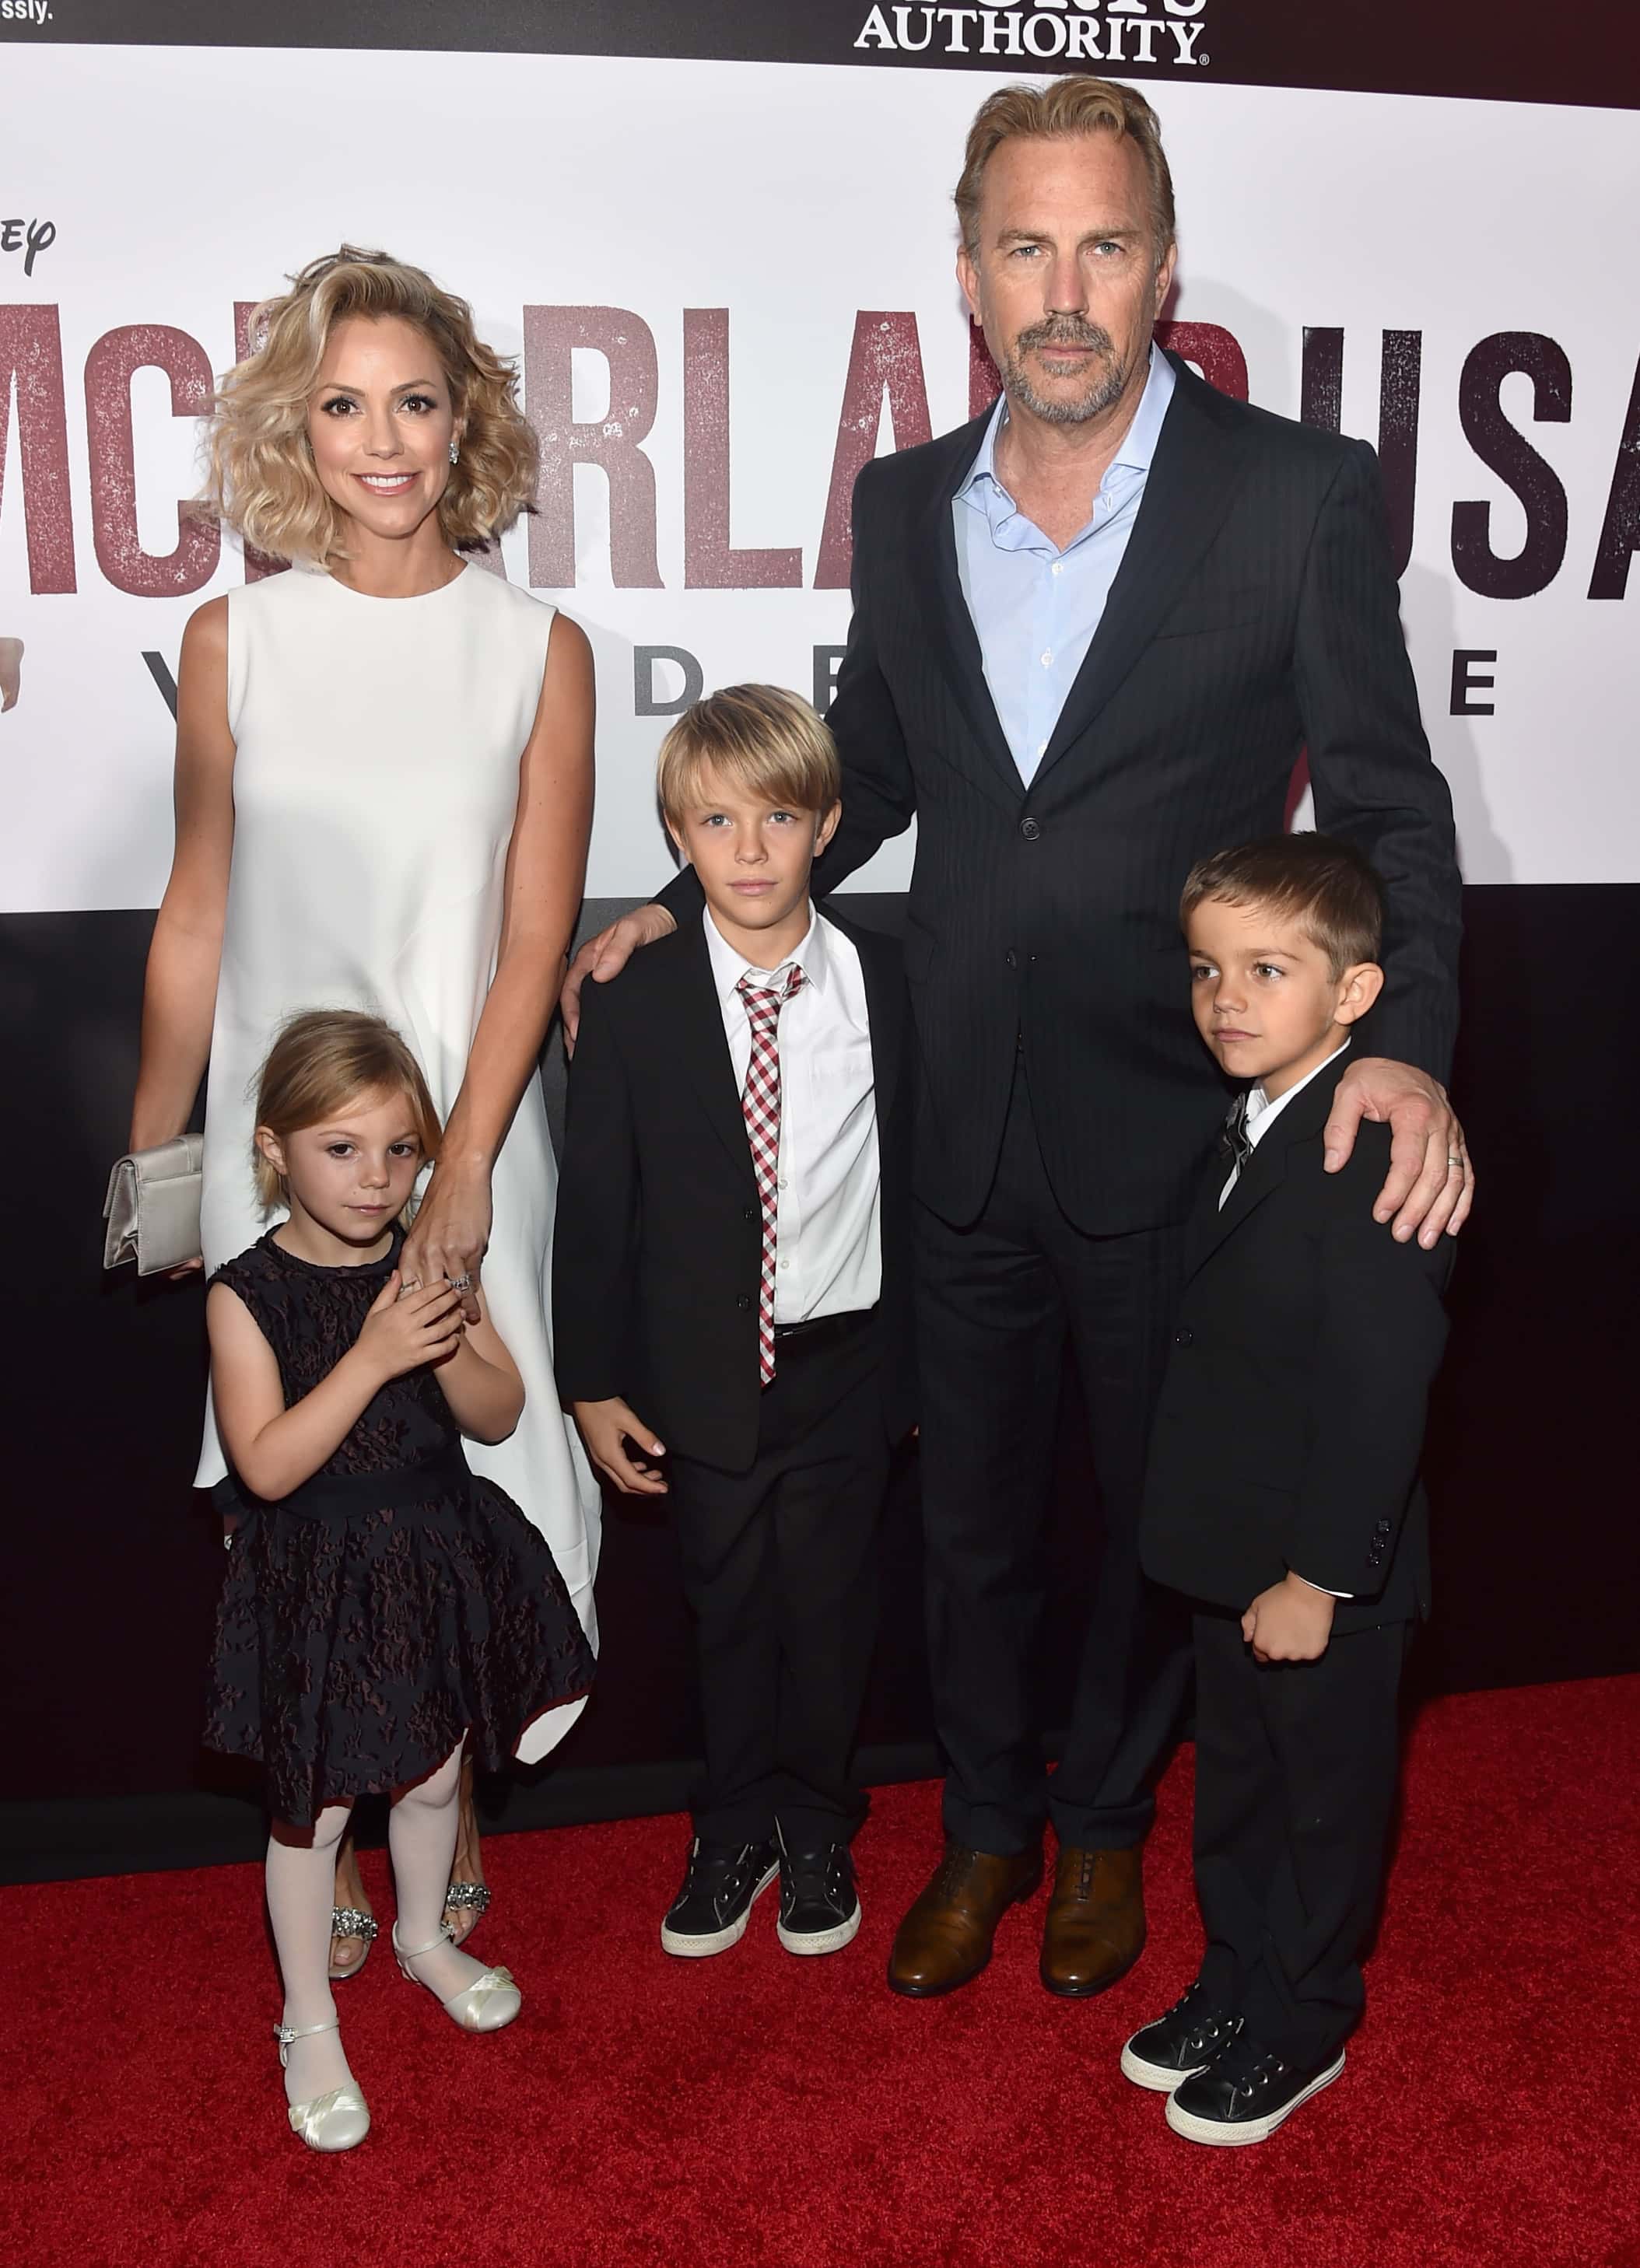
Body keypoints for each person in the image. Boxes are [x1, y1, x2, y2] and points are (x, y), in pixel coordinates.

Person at [562, 75, 1470, 2004]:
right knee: (965, 1526)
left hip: (1185, 1133)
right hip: (951, 1121)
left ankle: (1104, 1835)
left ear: (1161, 267)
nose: (1065, 290)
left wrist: (1410, 1045)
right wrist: (684, 897)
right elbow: (871, 777)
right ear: (967, 275)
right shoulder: (903, 504)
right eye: (1025, 247)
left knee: (1164, 1529)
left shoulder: (1291, 493)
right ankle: (980, 1831)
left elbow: (1388, 809)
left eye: (1106, 246)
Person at [129, 247, 600, 1973]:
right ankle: (320, 1797)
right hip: (275, 1141)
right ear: (292, 429)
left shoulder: (536, 649)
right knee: (307, 1493)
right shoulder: (231, 636)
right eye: (343, 405)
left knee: (482, 1470)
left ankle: (446, 1782)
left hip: (468, 1127)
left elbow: (534, 933)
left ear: (462, 417)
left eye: (414, 400)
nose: (382, 440)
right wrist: (161, 1164)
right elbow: (193, 914)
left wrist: (467, 1161)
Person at [552, 688, 914, 1958]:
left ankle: (817, 1822)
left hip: (850, 1362)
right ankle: (731, 1824)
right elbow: (597, 1207)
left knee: (830, 1608)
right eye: (716, 822)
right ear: (675, 834)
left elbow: (922, 1181)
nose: (750, 851)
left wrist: (920, 1363)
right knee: (726, 1605)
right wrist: (590, 1379)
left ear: (825, 826)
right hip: (702, 1371)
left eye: (777, 818)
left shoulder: (888, 980)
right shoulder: (636, 998)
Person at [205, 1010, 594, 2151]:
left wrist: (452, 1330)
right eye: (341, 1149)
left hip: (431, 1553)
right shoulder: (246, 1295)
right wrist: (372, 1354)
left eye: (401, 1151)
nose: (376, 1180)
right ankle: (308, 2016)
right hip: (318, 1572)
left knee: (433, 1778)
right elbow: (267, 1466)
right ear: (275, 1149)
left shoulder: (430, 1264)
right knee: (314, 1808)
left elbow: (500, 1412)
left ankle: (424, 1938)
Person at [1123, 836, 1453, 2145]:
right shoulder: (1246, 1122)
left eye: (1268, 970)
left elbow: (1385, 1392)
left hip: (1326, 1578)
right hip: (1227, 1550)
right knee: (1238, 1790)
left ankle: (1305, 2015)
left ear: (1356, 996)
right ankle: (1236, 1978)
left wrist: (1322, 1576)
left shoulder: (1372, 1154)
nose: (1229, 1000)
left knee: (1321, 1807)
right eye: (1209, 971)